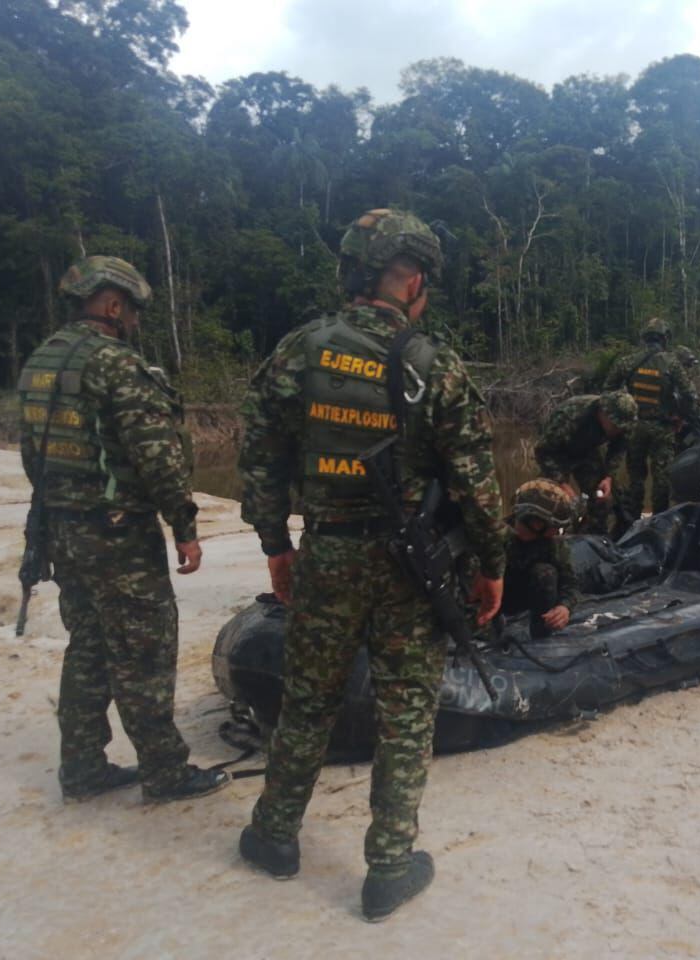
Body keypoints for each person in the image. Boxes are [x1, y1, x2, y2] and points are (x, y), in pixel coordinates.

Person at [236, 208, 507, 922]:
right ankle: (388, 865)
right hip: (409, 567)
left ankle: (272, 835)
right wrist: (491, 564)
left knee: (308, 700)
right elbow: (478, 484)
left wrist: (275, 545)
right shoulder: (432, 363)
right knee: (406, 710)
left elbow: (260, 456)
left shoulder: (299, 350)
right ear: (411, 277)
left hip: (325, 551)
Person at [17, 256, 229, 803]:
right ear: (112, 304)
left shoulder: (40, 361)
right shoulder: (115, 364)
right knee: (144, 651)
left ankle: (82, 766)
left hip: (61, 528)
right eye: (132, 310)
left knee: (88, 645)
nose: (134, 320)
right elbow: (156, 455)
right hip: (116, 535)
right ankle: (165, 770)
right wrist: (183, 524)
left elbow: (31, 456)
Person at [604, 317, 700, 522]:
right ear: (664, 338)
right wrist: (681, 416)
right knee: (662, 478)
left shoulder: (627, 361)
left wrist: (620, 414)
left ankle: (632, 519)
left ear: (645, 338)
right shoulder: (672, 363)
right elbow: (689, 395)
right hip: (663, 427)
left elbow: (608, 391)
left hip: (634, 426)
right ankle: (659, 521)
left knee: (636, 476)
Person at [534, 391, 637, 535]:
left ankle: (592, 538)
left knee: (601, 498)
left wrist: (608, 477)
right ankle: (546, 541)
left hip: (587, 451)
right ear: (603, 413)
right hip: (556, 454)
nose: (618, 429)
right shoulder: (571, 415)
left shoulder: (625, 422)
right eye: (615, 425)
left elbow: (618, 449)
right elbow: (543, 451)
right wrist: (562, 483)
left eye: (621, 426)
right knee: (549, 501)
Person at [502, 480, 580, 638]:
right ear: (535, 522)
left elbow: (571, 583)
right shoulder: (495, 538)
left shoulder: (552, 545)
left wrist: (564, 607)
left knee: (546, 573)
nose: (555, 533)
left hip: (523, 595)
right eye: (554, 527)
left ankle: (541, 635)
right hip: (491, 598)